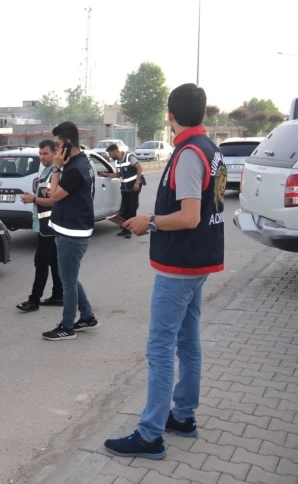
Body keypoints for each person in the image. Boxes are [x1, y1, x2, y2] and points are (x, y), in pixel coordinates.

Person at [104, 83, 226, 459]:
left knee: (160, 349)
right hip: (198, 262)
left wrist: (149, 221)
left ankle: (150, 434)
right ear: (203, 113)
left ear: (170, 115)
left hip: (181, 266)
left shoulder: (190, 153)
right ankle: (183, 416)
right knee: (188, 341)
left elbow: (189, 216)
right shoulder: (209, 149)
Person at [42, 122, 100, 341]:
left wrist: (56, 168)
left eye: (57, 144)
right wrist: (56, 182)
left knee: (67, 281)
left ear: (67, 143)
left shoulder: (75, 168)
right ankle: (87, 316)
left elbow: (55, 196)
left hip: (72, 234)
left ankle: (67, 327)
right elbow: (61, 192)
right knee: (70, 277)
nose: (55, 150)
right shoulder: (78, 160)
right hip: (71, 230)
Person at [16, 140, 64, 312]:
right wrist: (33, 197)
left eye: (45, 153)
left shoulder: (56, 174)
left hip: (50, 228)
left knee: (41, 263)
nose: (41, 157)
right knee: (54, 263)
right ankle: (58, 295)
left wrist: (34, 199)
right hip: (46, 227)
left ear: (54, 153)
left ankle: (33, 300)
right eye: (40, 153)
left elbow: (54, 201)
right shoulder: (47, 171)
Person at [103, 144, 145, 239]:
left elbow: (139, 168)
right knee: (125, 209)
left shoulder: (129, 157)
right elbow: (118, 175)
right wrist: (105, 174)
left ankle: (130, 230)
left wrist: (137, 183)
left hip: (134, 186)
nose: (110, 156)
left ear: (115, 152)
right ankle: (124, 228)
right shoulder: (117, 162)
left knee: (131, 208)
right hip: (125, 187)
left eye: (110, 154)